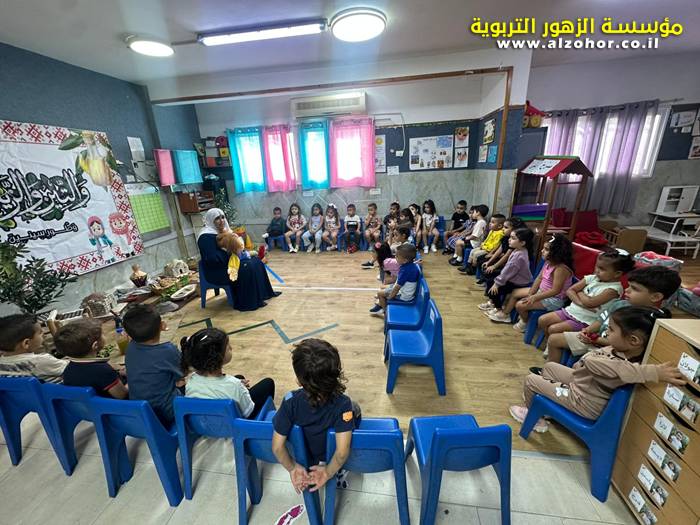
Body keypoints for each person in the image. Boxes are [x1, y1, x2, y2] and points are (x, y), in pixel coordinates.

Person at [509, 306, 685, 432]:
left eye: (611, 330)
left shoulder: (625, 367)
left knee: (531, 381)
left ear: (633, 341)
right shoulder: (619, 350)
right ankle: (548, 406)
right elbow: (587, 364)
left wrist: (655, 372)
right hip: (583, 384)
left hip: (582, 401)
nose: (606, 332)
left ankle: (535, 418)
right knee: (550, 367)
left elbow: (599, 364)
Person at [544, 266, 682, 365]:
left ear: (656, 297)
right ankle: (551, 372)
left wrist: (596, 340)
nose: (627, 290)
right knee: (554, 339)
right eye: (629, 286)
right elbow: (600, 320)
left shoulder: (648, 319)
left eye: (634, 289)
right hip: (595, 340)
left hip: (613, 352)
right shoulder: (620, 304)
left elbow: (625, 346)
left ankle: (568, 382)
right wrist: (588, 330)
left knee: (583, 364)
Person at [272, 339, 360, 493]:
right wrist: (328, 472)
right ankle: (339, 472)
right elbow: (341, 453)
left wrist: (293, 468)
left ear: (299, 381)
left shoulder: (290, 401)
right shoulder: (344, 404)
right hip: (330, 453)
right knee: (356, 409)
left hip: (307, 454)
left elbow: (277, 447)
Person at [180, 328, 275, 419]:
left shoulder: (191, 380)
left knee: (239, 377)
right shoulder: (234, 385)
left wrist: (238, 387)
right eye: (228, 347)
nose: (231, 348)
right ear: (217, 357)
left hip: (205, 423)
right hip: (235, 426)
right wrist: (241, 390)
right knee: (268, 383)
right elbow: (248, 412)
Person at [198, 208, 280, 312]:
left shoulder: (226, 231)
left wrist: (238, 253)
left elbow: (236, 246)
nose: (221, 221)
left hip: (230, 263)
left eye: (223, 217)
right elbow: (212, 259)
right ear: (211, 220)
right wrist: (230, 254)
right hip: (218, 270)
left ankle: (263, 294)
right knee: (247, 267)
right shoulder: (205, 237)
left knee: (256, 261)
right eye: (217, 218)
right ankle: (249, 302)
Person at [537, 250, 634, 337]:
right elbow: (570, 291)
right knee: (542, 320)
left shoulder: (614, 289)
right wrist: (581, 303)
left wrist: (579, 292)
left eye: (602, 269)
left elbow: (590, 303)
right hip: (570, 311)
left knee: (553, 329)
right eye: (597, 266)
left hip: (585, 320)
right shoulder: (593, 278)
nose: (597, 271)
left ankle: (556, 343)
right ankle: (553, 341)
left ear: (617, 274)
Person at [123, 304, 184, 426]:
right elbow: (182, 374)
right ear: (162, 325)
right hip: (166, 413)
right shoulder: (168, 350)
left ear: (127, 335)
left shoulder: (130, 348)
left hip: (139, 410)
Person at [511, 234, 575, 331]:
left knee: (520, 305)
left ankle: (525, 322)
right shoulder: (548, 262)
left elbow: (555, 290)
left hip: (554, 299)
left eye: (546, 249)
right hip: (542, 292)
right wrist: (531, 294)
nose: (542, 251)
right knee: (515, 293)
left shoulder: (561, 269)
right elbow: (539, 279)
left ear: (557, 253)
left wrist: (535, 297)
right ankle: (523, 315)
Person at [58, 318, 129, 399]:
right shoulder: (103, 370)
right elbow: (122, 395)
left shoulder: (68, 370)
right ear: (95, 345)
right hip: (115, 405)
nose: (104, 336)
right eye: (103, 334)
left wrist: (119, 372)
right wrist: (134, 379)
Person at [481, 228, 534, 320]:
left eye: (513, 238)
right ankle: (495, 305)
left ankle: (499, 309)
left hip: (520, 283)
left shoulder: (519, 256)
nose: (509, 240)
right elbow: (507, 271)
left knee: (492, 289)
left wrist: (497, 284)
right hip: (514, 278)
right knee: (490, 279)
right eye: (510, 237)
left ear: (522, 243)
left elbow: (507, 271)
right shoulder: (518, 250)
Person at [0, 314, 66, 383]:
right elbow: (71, 367)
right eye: (40, 332)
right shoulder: (40, 361)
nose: (44, 333)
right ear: (26, 343)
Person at [370, 244, 420, 315]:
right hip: (405, 291)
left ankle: (386, 312)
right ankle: (380, 304)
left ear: (405, 260)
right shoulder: (410, 265)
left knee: (380, 294)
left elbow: (397, 287)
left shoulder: (404, 270)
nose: (395, 257)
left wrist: (390, 297)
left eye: (397, 256)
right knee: (383, 287)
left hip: (404, 296)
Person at [473, 216, 525, 281]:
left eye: (506, 227)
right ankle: (483, 278)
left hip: (507, 261)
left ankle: (489, 281)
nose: (503, 229)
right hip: (502, 257)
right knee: (482, 259)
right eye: (503, 227)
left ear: (514, 230)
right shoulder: (505, 237)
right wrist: (489, 261)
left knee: (490, 268)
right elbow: (500, 250)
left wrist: (494, 266)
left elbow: (506, 255)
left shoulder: (514, 242)